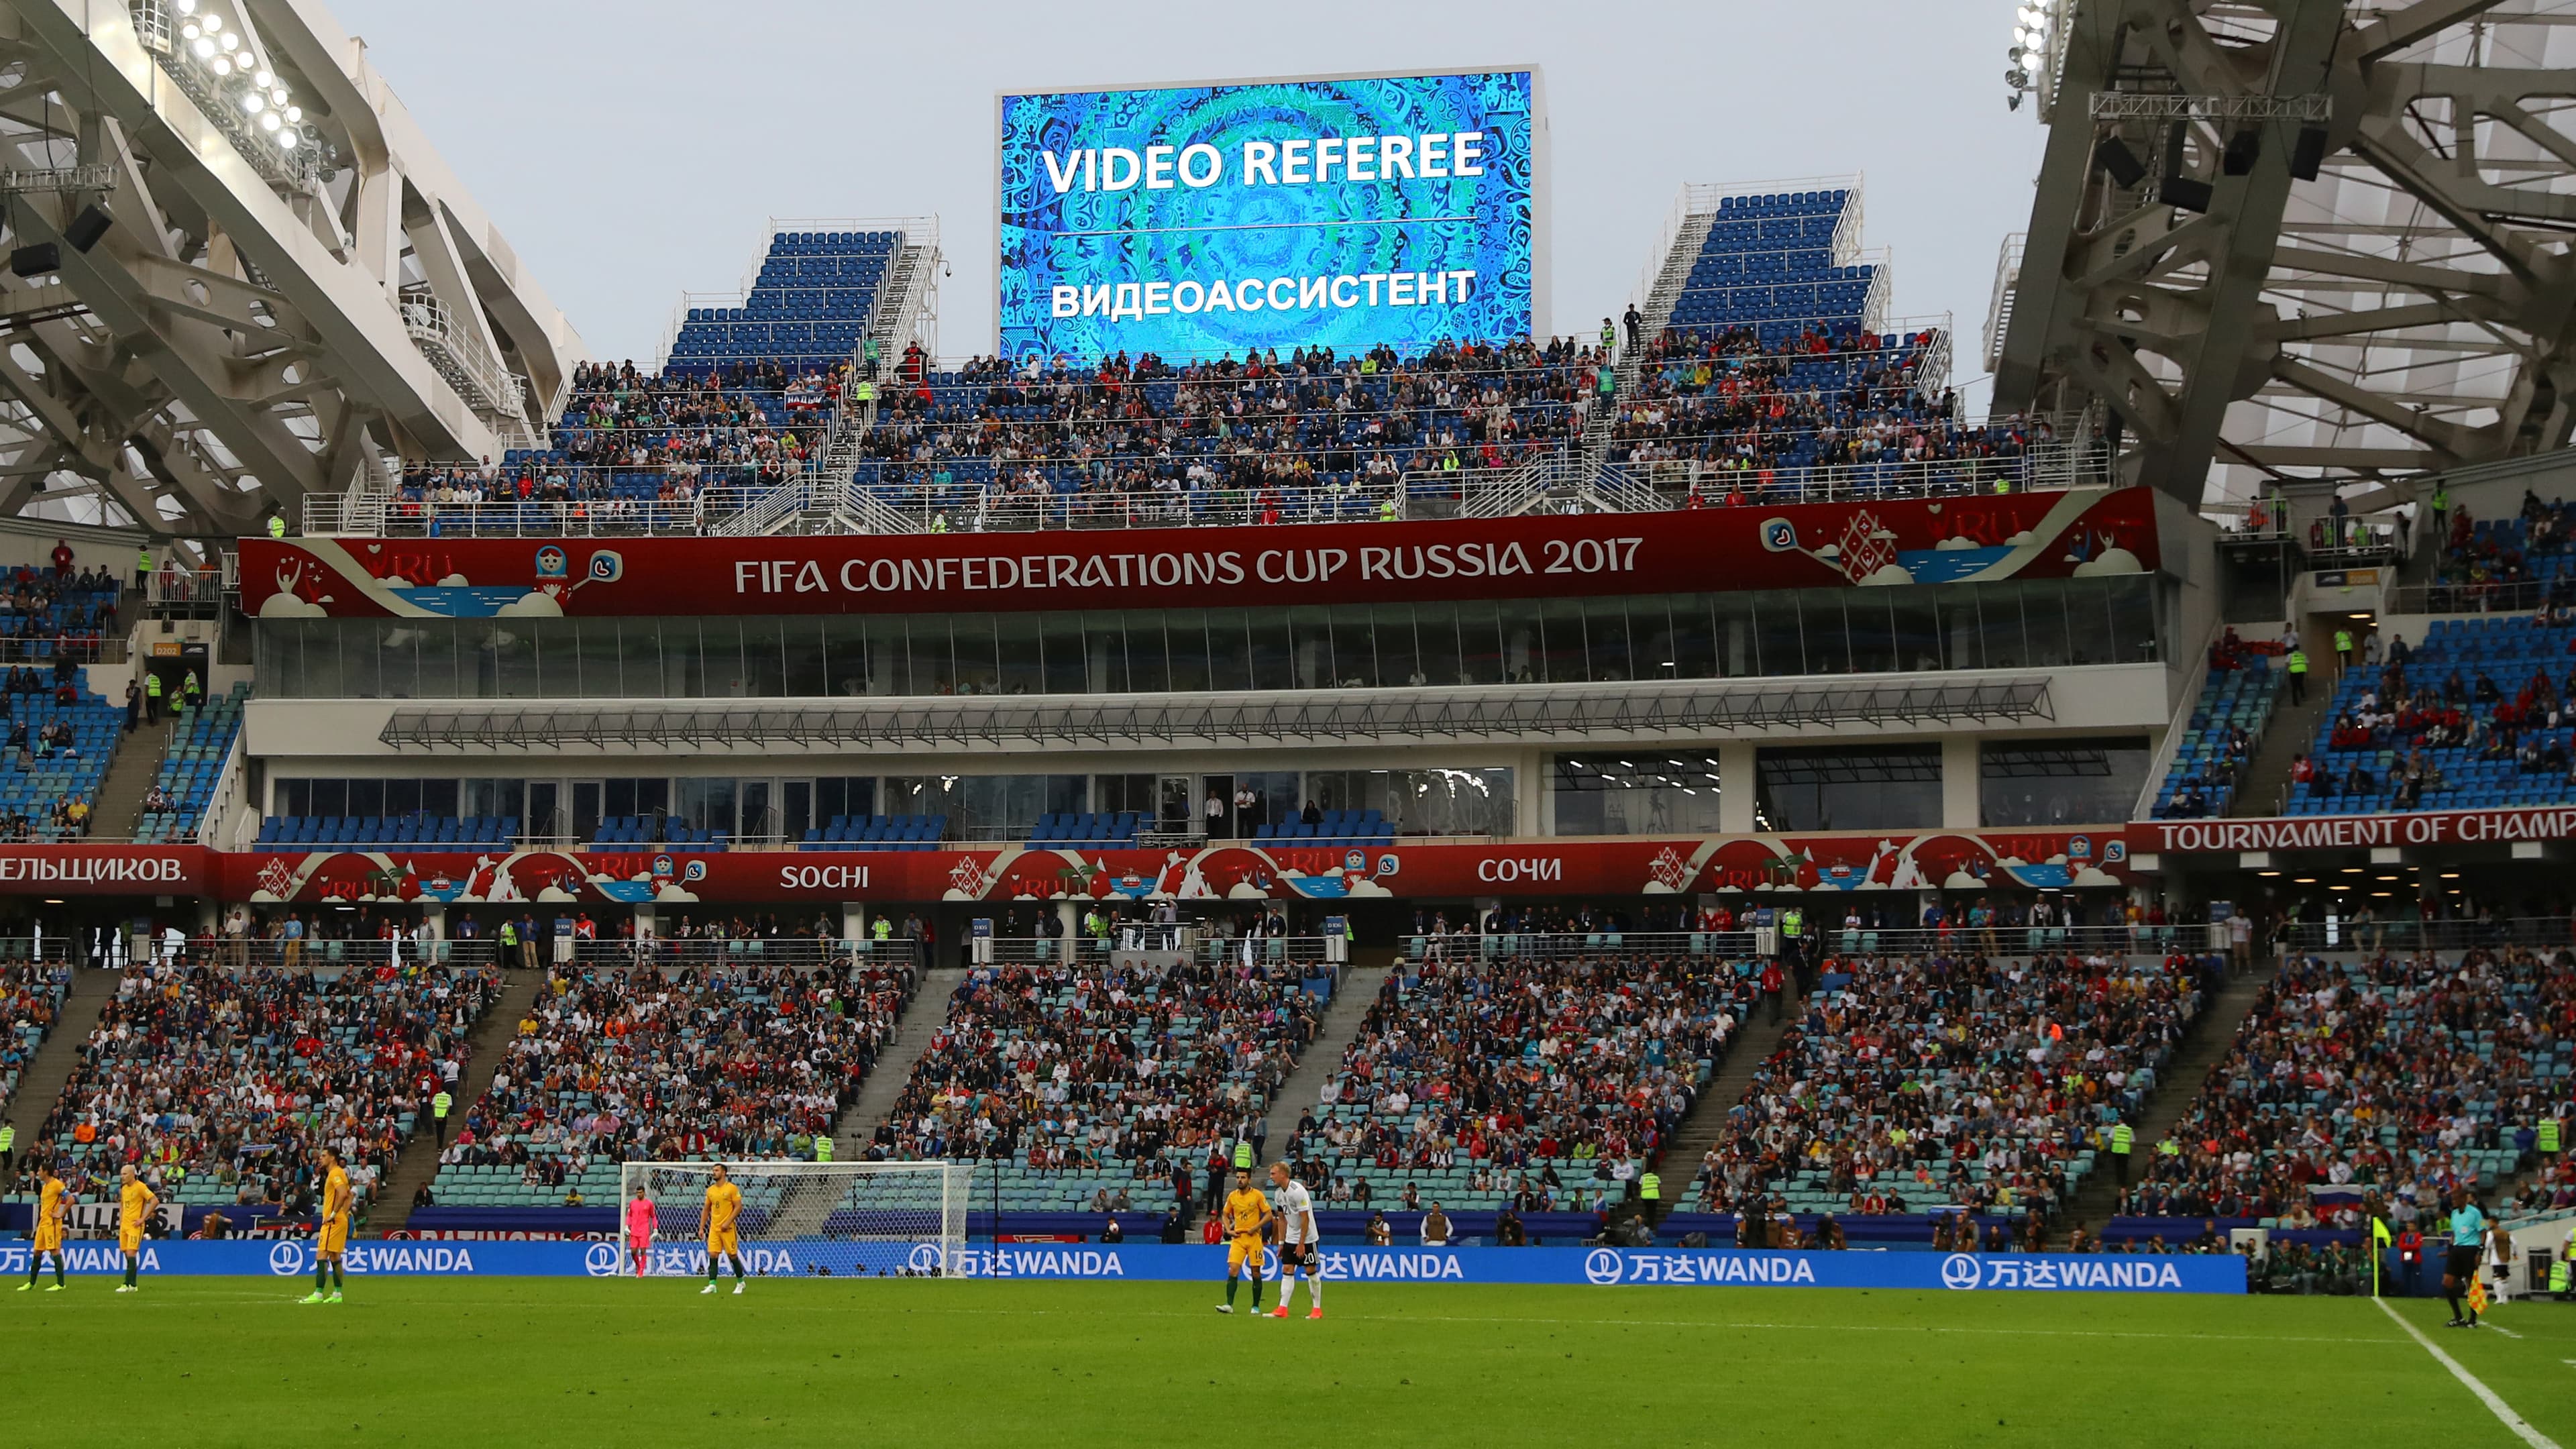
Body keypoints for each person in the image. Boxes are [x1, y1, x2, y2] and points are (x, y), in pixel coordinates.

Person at [1267, 1161, 1320, 1320]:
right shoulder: (1278, 1194)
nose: (1271, 1177)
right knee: (1287, 1269)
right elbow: (1282, 1220)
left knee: (1310, 1270)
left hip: (1308, 1237)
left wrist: (1302, 1243)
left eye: (1273, 1174)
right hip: (1291, 1236)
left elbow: (1305, 1219)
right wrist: (1282, 1243)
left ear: (1283, 1174)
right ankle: (1283, 1308)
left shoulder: (1298, 1191)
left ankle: (1317, 1309)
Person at [300, 1146, 353, 1304]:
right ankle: (337, 1295)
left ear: (332, 1158)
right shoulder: (338, 1173)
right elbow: (349, 1195)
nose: (320, 1158)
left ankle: (318, 1294)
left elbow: (343, 1194)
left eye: (324, 1156)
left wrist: (333, 1214)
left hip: (332, 1222)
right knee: (335, 1256)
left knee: (321, 1255)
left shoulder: (335, 1173)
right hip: (339, 1220)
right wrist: (343, 1213)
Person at [1216, 1169, 1271, 1315]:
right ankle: (1229, 1304)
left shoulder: (1257, 1195)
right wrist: (1228, 1230)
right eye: (1238, 1177)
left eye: (1243, 1178)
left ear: (1249, 1180)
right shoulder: (1232, 1196)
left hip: (1254, 1238)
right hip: (1239, 1238)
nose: (1240, 1180)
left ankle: (1255, 1306)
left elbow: (1269, 1214)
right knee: (1233, 1269)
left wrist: (1256, 1227)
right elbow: (1225, 1214)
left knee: (1256, 1271)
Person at [17, 1161, 68, 1291]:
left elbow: (71, 1199)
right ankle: (31, 1283)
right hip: (43, 1223)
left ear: (46, 1171)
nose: (38, 1173)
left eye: (40, 1170)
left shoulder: (57, 1185)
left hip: (52, 1223)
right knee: (37, 1252)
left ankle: (61, 1284)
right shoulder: (45, 1186)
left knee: (54, 1251)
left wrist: (61, 1214)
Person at [701, 1163, 748, 1295]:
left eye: (717, 1170)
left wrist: (728, 1222)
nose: (714, 1172)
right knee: (713, 1254)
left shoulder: (732, 1188)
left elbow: (738, 1207)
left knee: (732, 1255)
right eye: (713, 1170)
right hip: (714, 1228)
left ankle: (740, 1282)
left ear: (724, 1173)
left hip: (728, 1228)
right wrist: (701, 1227)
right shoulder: (710, 1190)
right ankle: (712, 1284)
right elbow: (706, 1209)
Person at [2443, 1187, 2486, 1328]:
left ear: (2463, 1198)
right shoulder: (2454, 1213)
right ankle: (2458, 1317)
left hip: (2470, 1249)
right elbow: (2455, 1233)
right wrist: (2450, 1248)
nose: (2453, 1202)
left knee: (2470, 1284)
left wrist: (2480, 1252)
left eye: (2456, 1199)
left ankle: (2472, 1319)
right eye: (2452, 1199)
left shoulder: (2476, 1212)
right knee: (2447, 1282)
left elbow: (2483, 1231)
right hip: (2457, 1249)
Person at [116, 1163, 157, 1293]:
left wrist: (143, 1218)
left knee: (131, 1253)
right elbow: (122, 1204)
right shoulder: (124, 1189)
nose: (122, 1176)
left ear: (133, 1174)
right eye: (121, 1174)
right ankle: (133, 1285)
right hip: (125, 1225)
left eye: (125, 1174)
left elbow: (155, 1201)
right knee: (126, 1253)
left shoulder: (140, 1187)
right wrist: (121, 1218)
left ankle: (126, 1284)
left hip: (135, 1225)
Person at [626, 1186, 659, 1279]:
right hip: (634, 1230)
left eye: (640, 1192)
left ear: (644, 1193)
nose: (639, 1194)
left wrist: (655, 1229)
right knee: (633, 1252)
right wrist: (626, 1226)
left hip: (644, 1230)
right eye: (637, 1193)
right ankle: (639, 1266)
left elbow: (653, 1217)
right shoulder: (633, 1203)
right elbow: (629, 1216)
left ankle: (641, 1271)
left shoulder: (649, 1204)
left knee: (643, 1250)